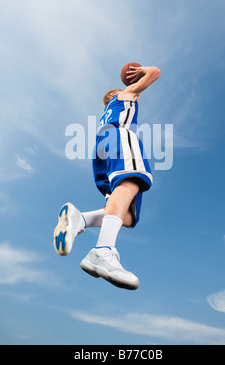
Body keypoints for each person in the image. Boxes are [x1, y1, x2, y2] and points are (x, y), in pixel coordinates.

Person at [54, 65, 161, 290]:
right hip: (119, 135)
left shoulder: (109, 109)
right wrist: (141, 70)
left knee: (127, 216)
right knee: (132, 181)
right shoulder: (123, 97)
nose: (135, 93)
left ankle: (80, 219)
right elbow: (155, 73)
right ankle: (102, 251)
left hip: (102, 146)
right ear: (115, 95)